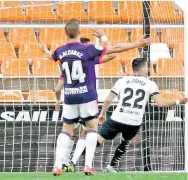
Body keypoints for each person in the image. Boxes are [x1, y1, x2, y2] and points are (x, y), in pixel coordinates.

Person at [39, 18, 151, 176]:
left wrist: (45, 51)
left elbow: (52, 57)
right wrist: (139, 44)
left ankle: (58, 165)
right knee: (91, 129)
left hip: (69, 97)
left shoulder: (60, 51)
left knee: (66, 130)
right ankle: (88, 165)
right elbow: (114, 49)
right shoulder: (88, 50)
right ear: (79, 32)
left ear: (66, 33)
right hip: (87, 96)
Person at [96, 58, 187, 172]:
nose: (148, 69)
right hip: (134, 122)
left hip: (118, 118)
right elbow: (161, 103)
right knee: (125, 141)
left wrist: (102, 113)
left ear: (133, 68)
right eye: (147, 67)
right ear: (143, 68)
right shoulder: (150, 84)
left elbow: (108, 100)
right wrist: (178, 101)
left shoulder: (122, 80)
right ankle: (111, 167)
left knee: (97, 140)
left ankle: (77, 160)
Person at [55, 34, 116, 173]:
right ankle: (75, 162)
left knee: (69, 131)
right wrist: (104, 38)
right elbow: (113, 54)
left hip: (70, 99)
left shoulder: (66, 63)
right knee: (88, 130)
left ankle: (63, 162)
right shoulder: (90, 61)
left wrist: (57, 100)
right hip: (87, 98)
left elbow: (58, 87)